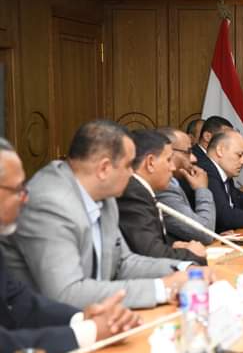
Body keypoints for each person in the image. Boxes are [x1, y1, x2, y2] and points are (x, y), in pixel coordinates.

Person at [0, 120, 188, 309]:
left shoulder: (105, 197)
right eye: (128, 165)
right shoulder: (50, 202)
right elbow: (67, 293)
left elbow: (122, 263)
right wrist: (162, 288)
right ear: (104, 168)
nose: (132, 173)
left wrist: (186, 270)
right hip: (49, 323)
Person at [0, 138, 142, 353]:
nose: (25, 198)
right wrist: (89, 332)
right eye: (17, 190)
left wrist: (82, 318)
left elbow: (20, 302)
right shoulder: (52, 201)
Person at [117, 130, 207, 264]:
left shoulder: (140, 191)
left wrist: (172, 245)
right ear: (150, 163)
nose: (173, 167)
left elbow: (146, 240)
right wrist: (190, 254)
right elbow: (151, 254)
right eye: (169, 160)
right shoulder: (133, 194)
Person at [156, 127, 216, 245]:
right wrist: (202, 189)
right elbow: (205, 234)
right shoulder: (163, 188)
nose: (194, 158)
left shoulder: (176, 181)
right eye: (188, 152)